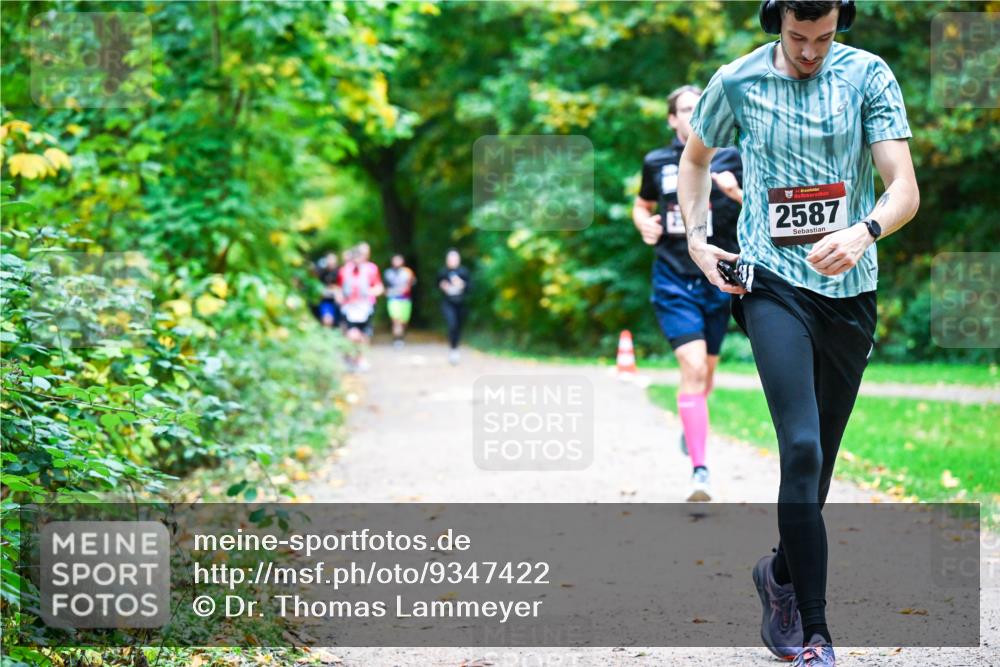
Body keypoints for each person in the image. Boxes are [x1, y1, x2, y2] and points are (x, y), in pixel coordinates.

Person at [677, 1, 919, 664]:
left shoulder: (868, 76)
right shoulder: (738, 81)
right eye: (797, 37)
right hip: (770, 284)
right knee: (803, 448)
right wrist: (699, 241)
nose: (810, 51)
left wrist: (863, 229)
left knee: (820, 467)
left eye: (824, 37)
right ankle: (814, 630)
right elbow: (694, 161)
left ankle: (779, 572)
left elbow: (903, 188)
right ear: (775, 22)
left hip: (850, 291)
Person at [633, 84, 744, 502]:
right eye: (684, 109)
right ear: (672, 119)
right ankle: (700, 471)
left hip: (719, 278)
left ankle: (690, 420)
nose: (693, 115)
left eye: (701, 108)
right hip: (673, 277)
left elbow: (763, 213)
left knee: (707, 372)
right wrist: (642, 223)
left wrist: (735, 192)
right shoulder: (657, 162)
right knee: (693, 367)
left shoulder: (734, 156)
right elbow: (642, 205)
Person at [336, 243, 384, 371]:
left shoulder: (371, 269)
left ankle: (360, 359)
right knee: (352, 334)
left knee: (364, 335)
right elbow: (339, 288)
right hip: (349, 308)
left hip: (365, 307)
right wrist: (340, 297)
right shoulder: (344, 271)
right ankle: (351, 357)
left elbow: (379, 287)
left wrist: (369, 293)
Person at [437, 249, 470, 365]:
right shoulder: (443, 272)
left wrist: (462, 284)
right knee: (452, 324)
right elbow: (437, 285)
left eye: (454, 258)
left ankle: (455, 348)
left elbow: (470, 287)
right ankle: (453, 349)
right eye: (450, 259)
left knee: (458, 327)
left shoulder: (463, 272)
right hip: (448, 303)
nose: (452, 261)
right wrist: (443, 286)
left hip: (460, 304)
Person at [383, 254, 417, 349]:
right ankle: (397, 340)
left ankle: (401, 337)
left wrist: (406, 288)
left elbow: (412, 283)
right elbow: (384, 286)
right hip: (393, 299)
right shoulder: (388, 273)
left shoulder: (408, 272)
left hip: (405, 299)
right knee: (396, 320)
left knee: (404, 322)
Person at [313, 251, 341, 329]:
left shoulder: (340, 271)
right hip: (326, 302)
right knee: (327, 320)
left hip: (339, 303)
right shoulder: (321, 271)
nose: (331, 261)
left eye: (333, 259)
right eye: (329, 259)